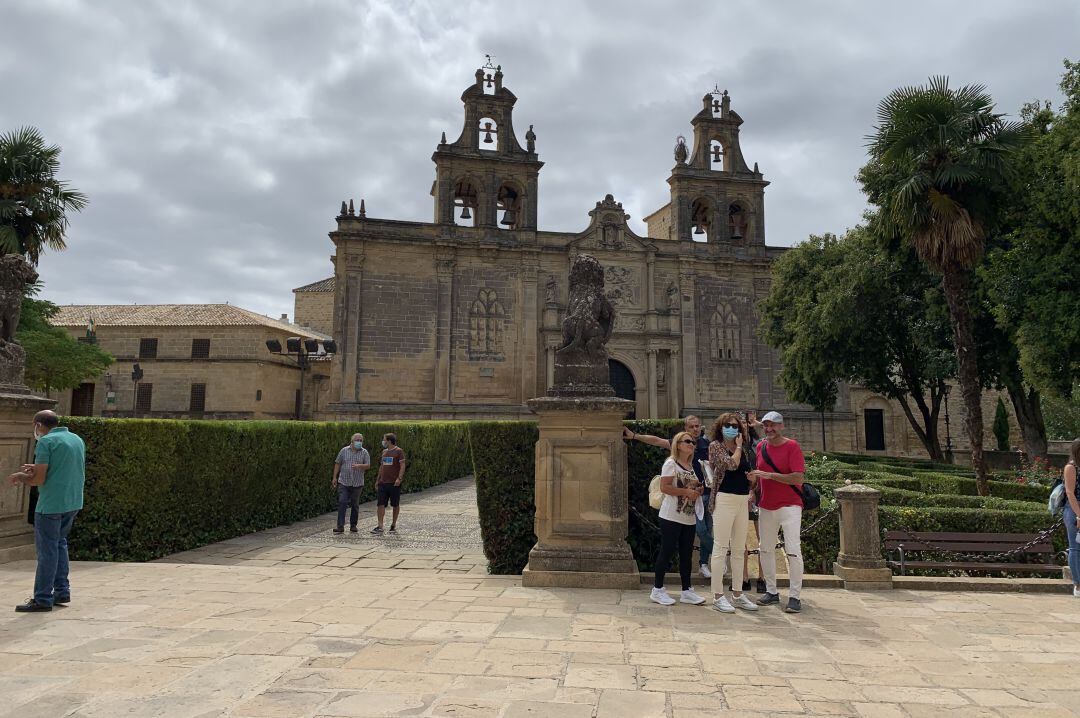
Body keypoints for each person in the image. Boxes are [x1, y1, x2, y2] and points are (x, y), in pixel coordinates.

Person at [7, 410, 85, 613]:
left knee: (47, 550)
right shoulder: (75, 439)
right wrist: (36, 467)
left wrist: (21, 476)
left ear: (39, 425)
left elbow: (39, 480)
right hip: (72, 501)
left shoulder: (46, 442)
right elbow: (63, 467)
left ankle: (42, 597)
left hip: (50, 504)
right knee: (59, 544)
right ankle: (62, 591)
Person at [626, 416, 714, 578]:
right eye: (691, 427)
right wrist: (634, 436)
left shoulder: (706, 444)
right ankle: (718, 554)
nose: (695, 429)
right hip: (685, 501)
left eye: (697, 426)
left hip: (705, 494)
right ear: (685, 429)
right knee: (701, 532)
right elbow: (657, 441)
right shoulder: (676, 449)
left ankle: (703, 564)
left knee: (707, 530)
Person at [749, 411, 806, 613]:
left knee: (792, 550)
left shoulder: (792, 446)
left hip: (789, 505)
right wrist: (753, 489)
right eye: (766, 425)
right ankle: (772, 591)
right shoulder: (761, 446)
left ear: (781, 426)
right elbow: (760, 476)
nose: (769, 429)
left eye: (773, 425)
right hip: (766, 505)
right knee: (765, 548)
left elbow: (798, 478)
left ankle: (794, 596)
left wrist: (770, 476)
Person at [706, 413, 758, 613]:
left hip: (741, 499)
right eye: (728, 425)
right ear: (721, 427)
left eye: (736, 426)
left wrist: (751, 478)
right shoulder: (716, 446)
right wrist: (737, 447)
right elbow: (729, 464)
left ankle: (737, 593)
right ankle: (718, 595)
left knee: (738, 549)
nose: (733, 428)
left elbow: (743, 470)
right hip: (724, 498)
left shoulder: (743, 449)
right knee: (720, 547)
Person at [650, 431, 707, 606]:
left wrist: (698, 491)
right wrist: (685, 492)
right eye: (687, 441)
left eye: (693, 442)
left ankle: (686, 590)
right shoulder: (671, 464)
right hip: (671, 516)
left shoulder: (691, 466)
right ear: (678, 444)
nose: (691, 444)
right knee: (666, 551)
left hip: (688, 517)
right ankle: (657, 589)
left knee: (686, 554)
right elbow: (665, 487)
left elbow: (690, 487)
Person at [332, 433, 370, 533]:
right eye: (357, 440)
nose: (359, 442)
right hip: (344, 481)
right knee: (342, 502)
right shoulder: (344, 450)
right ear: (352, 441)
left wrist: (360, 466)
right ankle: (340, 526)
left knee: (355, 504)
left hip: (357, 483)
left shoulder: (364, 452)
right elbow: (337, 463)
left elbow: (368, 465)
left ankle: (353, 525)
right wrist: (334, 477)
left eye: (361, 440)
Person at [372, 433, 406, 534]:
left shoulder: (399, 451)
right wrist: (378, 480)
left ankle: (393, 524)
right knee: (380, 504)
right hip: (383, 482)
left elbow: (402, 465)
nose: (383, 442)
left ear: (389, 441)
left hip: (394, 483)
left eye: (384, 440)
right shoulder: (384, 452)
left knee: (395, 504)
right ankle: (380, 526)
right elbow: (381, 466)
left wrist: (399, 478)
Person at [1063, 438, 1080, 597]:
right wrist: (1079, 514)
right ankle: (1078, 584)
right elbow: (1070, 493)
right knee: (1076, 547)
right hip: (1074, 509)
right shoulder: (1071, 467)